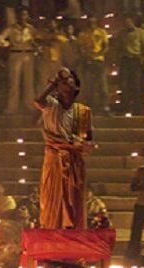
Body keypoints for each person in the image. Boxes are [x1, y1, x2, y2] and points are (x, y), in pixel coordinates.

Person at [34, 68, 93, 230]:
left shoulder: (83, 111)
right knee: (52, 197)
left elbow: (88, 136)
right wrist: (53, 83)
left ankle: (73, 233)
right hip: (54, 158)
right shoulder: (51, 104)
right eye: (62, 83)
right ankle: (51, 231)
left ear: (76, 87)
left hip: (74, 161)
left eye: (69, 81)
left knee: (73, 199)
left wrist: (85, 144)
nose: (66, 84)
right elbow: (38, 101)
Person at [0, 8, 37, 115]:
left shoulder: (31, 29)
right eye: (21, 15)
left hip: (28, 54)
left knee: (29, 82)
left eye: (25, 15)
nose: (23, 17)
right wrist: (7, 45)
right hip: (15, 54)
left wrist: (36, 46)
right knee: (14, 81)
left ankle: (29, 105)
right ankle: (12, 107)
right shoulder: (11, 29)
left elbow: (37, 40)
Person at [125, 141, 144, 264]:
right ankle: (133, 255)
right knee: (136, 231)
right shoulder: (140, 171)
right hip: (141, 203)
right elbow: (132, 186)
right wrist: (142, 185)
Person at [117, 15, 144, 114]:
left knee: (136, 84)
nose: (127, 24)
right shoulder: (121, 33)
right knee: (124, 84)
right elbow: (118, 47)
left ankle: (137, 108)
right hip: (125, 59)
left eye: (129, 22)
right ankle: (124, 107)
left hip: (136, 59)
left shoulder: (140, 32)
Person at [37, 19, 67, 95]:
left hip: (56, 61)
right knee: (43, 82)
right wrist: (47, 40)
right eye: (50, 24)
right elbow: (38, 40)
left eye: (53, 24)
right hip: (45, 61)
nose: (51, 25)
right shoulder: (43, 33)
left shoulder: (60, 35)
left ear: (56, 25)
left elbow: (64, 41)